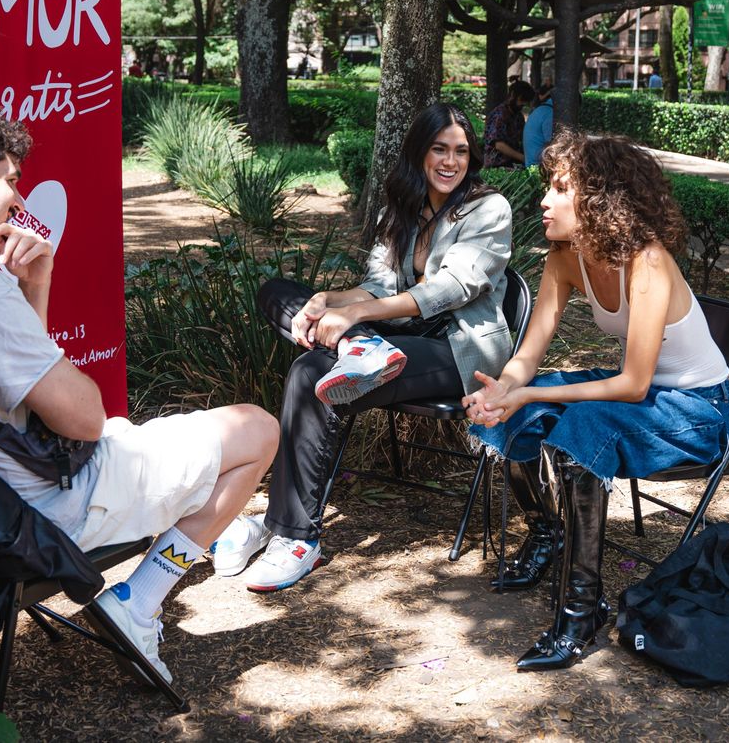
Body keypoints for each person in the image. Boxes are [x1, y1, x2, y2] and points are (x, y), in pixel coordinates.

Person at [0, 98, 279, 682]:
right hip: (27, 519)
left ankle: (201, 539)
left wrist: (36, 285)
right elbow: (84, 420)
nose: (19, 201)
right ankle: (139, 603)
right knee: (256, 429)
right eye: (10, 181)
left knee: (135, 437)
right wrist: (23, 289)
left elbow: (3, 398)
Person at [464, 130, 729, 672]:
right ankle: (548, 535)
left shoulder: (648, 261)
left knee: (582, 428)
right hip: (645, 399)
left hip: (697, 411)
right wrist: (507, 389)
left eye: (560, 188)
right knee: (515, 416)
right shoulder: (566, 259)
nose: (544, 199)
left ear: (598, 197)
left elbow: (633, 384)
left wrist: (530, 394)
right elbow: (530, 352)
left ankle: (579, 614)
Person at [218, 103, 514, 593]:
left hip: (456, 352)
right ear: (419, 152)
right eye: (439, 149)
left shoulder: (488, 209)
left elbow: (453, 288)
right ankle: (360, 354)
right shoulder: (397, 212)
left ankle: (291, 536)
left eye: (461, 151)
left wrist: (355, 315)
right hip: (391, 341)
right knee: (278, 294)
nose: (450, 161)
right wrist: (328, 302)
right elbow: (377, 287)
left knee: (312, 373)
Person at [484, 80, 534, 169]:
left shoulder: (518, 116)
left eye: (526, 101)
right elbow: (499, 145)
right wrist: (523, 158)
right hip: (497, 165)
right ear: (512, 95)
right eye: (522, 100)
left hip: (513, 163)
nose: (524, 104)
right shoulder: (499, 115)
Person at [522, 84, 555, 167]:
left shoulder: (540, 109)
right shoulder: (549, 113)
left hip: (532, 162)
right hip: (537, 165)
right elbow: (550, 143)